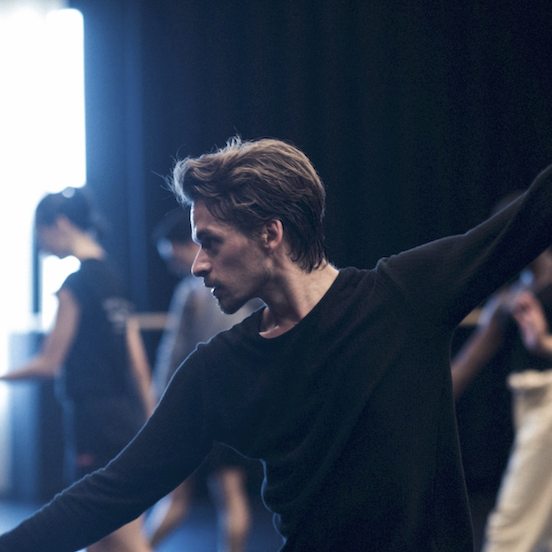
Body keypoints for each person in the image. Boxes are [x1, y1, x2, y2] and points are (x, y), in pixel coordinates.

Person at [1, 137, 552, 552]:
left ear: (270, 233)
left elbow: (534, 214)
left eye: (210, 242)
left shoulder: (401, 298)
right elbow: (112, 492)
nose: (197, 265)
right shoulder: (219, 369)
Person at [0, 188, 154, 552]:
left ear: (61, 223)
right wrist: (152, 420)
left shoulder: (75, 285)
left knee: (122, 538)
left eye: (40, 235)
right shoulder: (113, 278)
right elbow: (137, 364)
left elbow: (49, 364)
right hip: (123, 419)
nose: (41, 247)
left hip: (94, 423)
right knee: (100, 538)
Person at [146, 208, 258, 551]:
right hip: (235, 407)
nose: (173, 264)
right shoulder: (244, 285)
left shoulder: (193, 291)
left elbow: (173, 354)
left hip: (203, 409)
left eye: (173, 254)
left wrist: (157, 401)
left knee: (186, 496)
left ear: (190, 244)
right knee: (227, 495)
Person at [451, 198, 552, 551]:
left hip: (549, 409)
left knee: (508, 534)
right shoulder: (512, 299)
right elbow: (467, 364)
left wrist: (542, 343)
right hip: (529, 405)